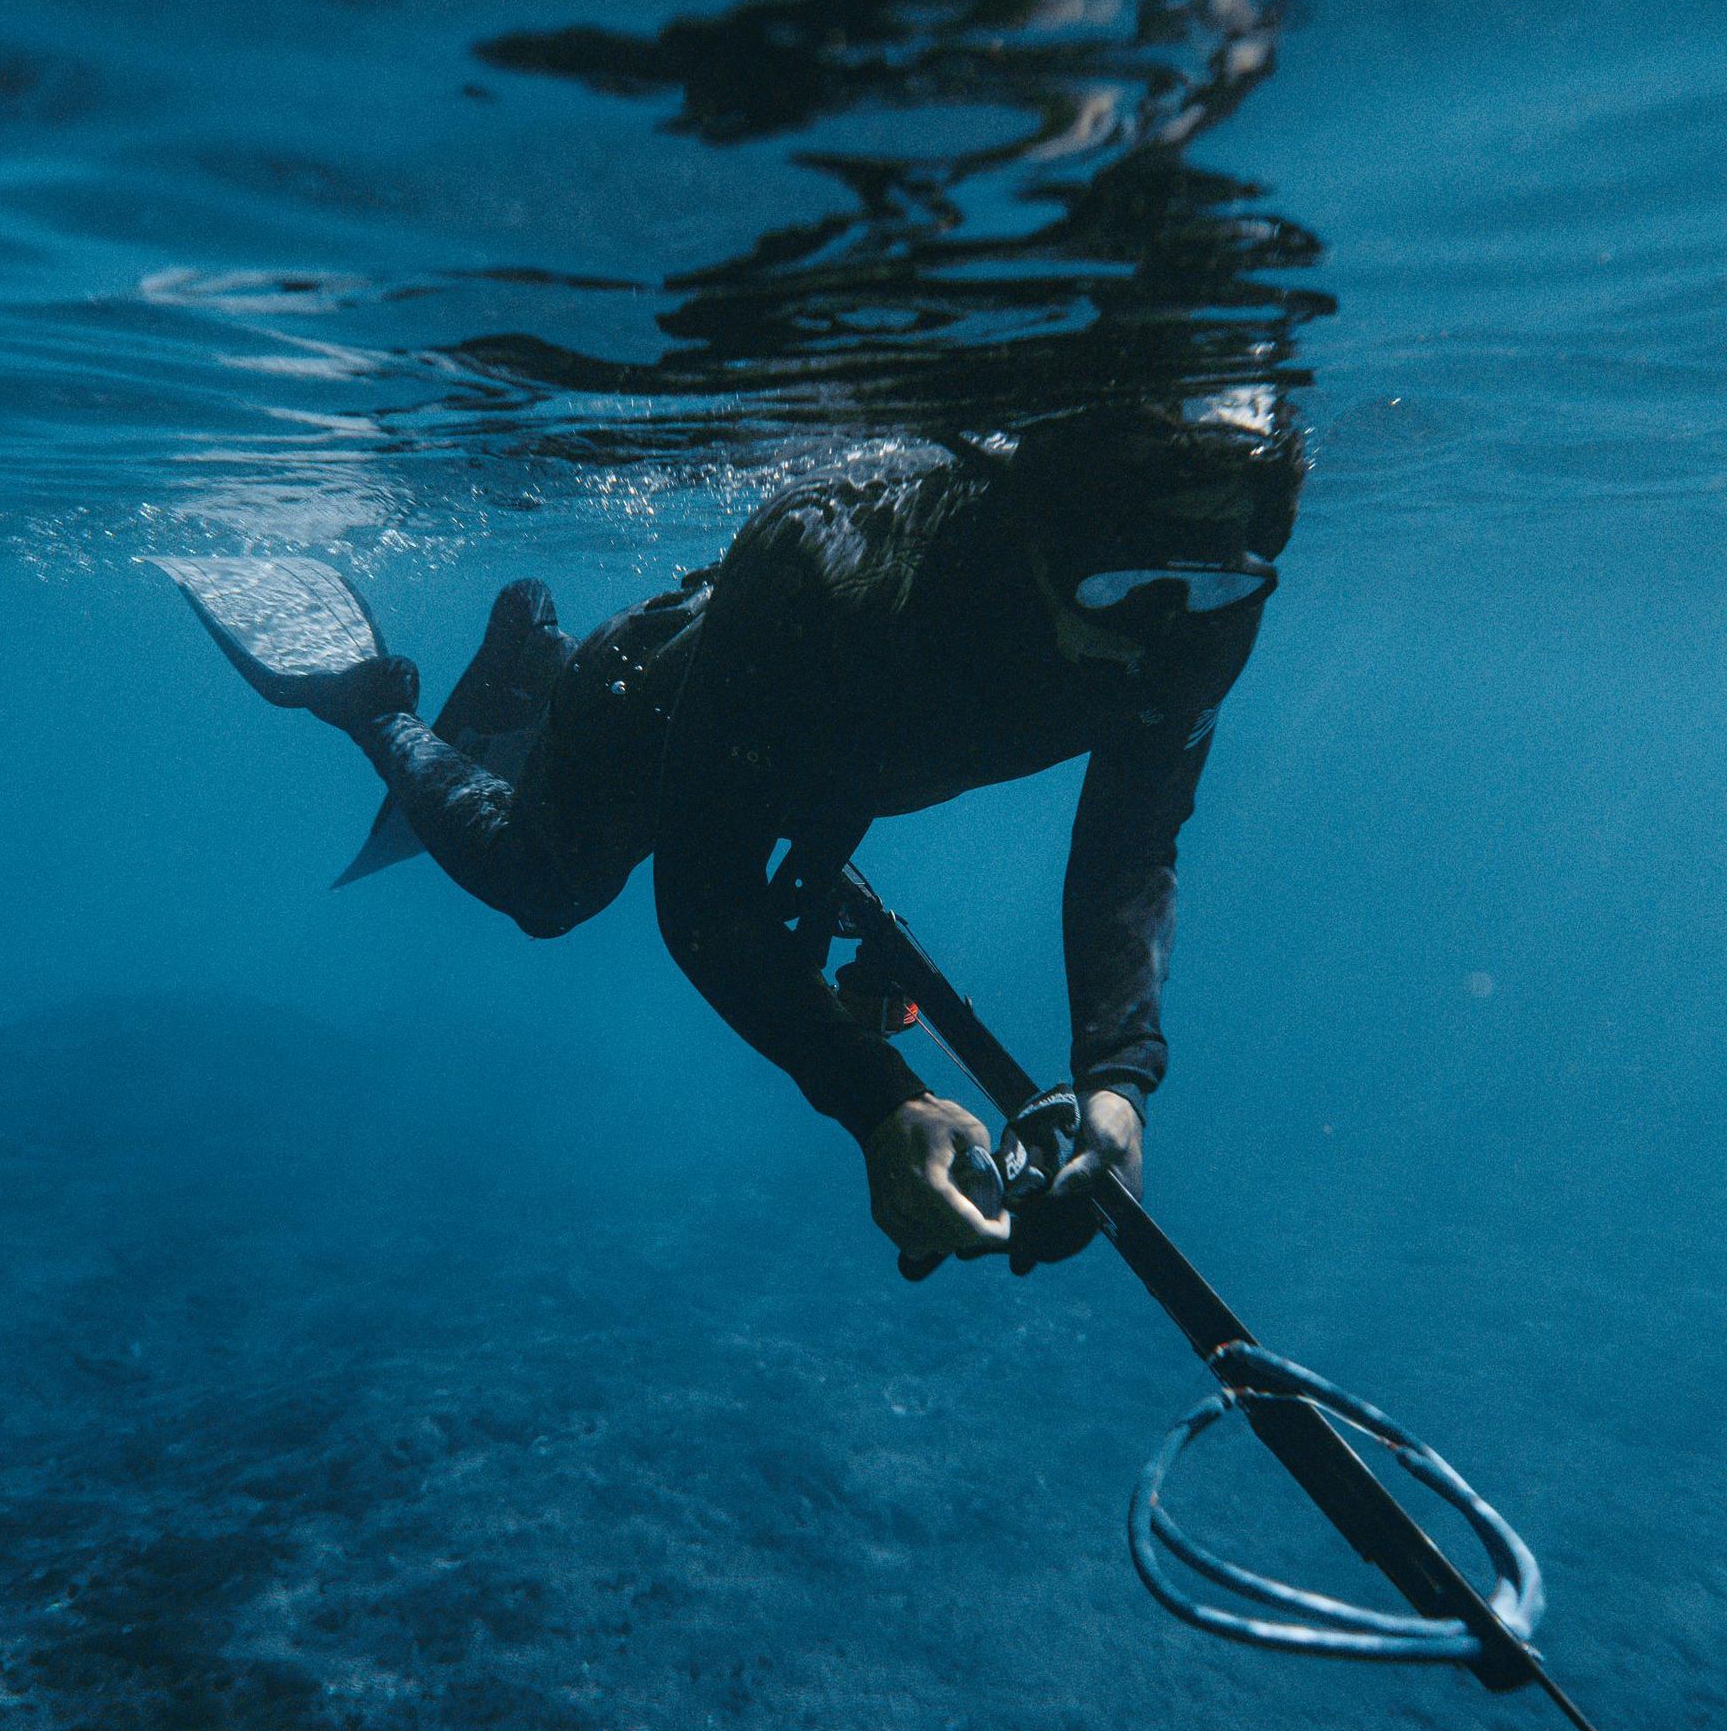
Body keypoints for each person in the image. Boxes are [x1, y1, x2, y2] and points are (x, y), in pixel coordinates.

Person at [165, 396, 1302, 1267]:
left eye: (1207, 586)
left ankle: (525, 653)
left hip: (809, 756)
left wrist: (1115, 1077)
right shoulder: (826, 568)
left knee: (790, 922)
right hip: (648, 703)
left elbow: (1132, 843)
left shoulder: (1202, 623)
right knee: (545, 888)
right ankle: (376, 702)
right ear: (1041, 537)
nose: (1163, 632)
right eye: (1126, 586)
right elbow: (703, 901)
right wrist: (879, 1099)